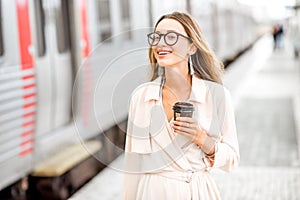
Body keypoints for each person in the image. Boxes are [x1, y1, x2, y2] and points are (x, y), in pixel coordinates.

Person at [123, 11, 239, 200]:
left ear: (192, 46)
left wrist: (202, 138)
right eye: (157, 37)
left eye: (171, 37)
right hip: (152, 193)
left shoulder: (217, 96)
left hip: (197, 192)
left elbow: (232, 159)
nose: (160, 44)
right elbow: (133, 164)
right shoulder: (141, 97)